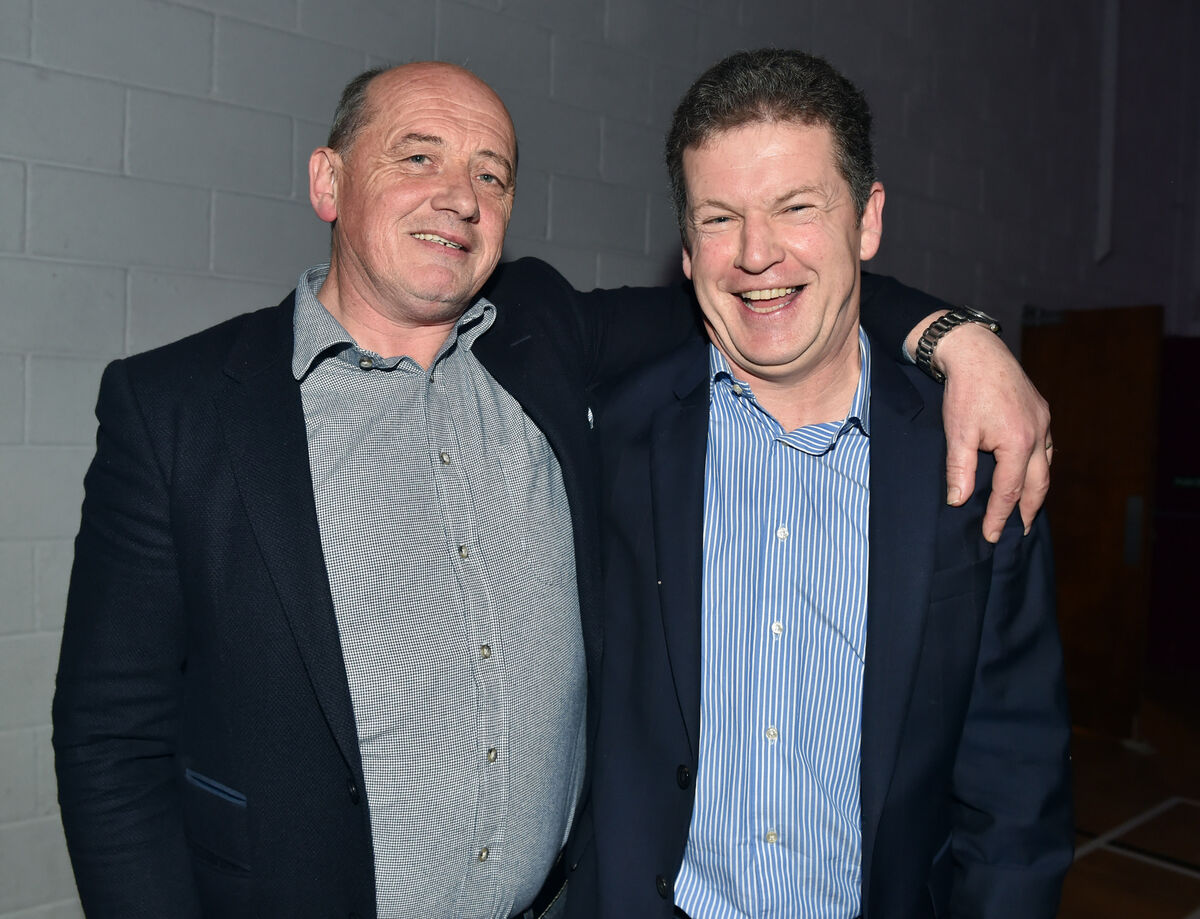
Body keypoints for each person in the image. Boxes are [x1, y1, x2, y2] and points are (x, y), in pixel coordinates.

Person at [51, 61, 1054, 919]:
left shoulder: (541, 339)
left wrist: (957, 338)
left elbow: (780, 290)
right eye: (418, 156)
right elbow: (109, 738)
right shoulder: (177, 407)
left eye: (490, 172)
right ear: (327, 180)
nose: (459, 193)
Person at [582, 50, 1072, 919]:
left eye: (796, 207)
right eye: (720, 219)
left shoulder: (973, 454)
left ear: (868, 219)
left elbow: (1015, 791)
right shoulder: (617, 432)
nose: (757, 254)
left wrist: (958, 339)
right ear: (688, 251)